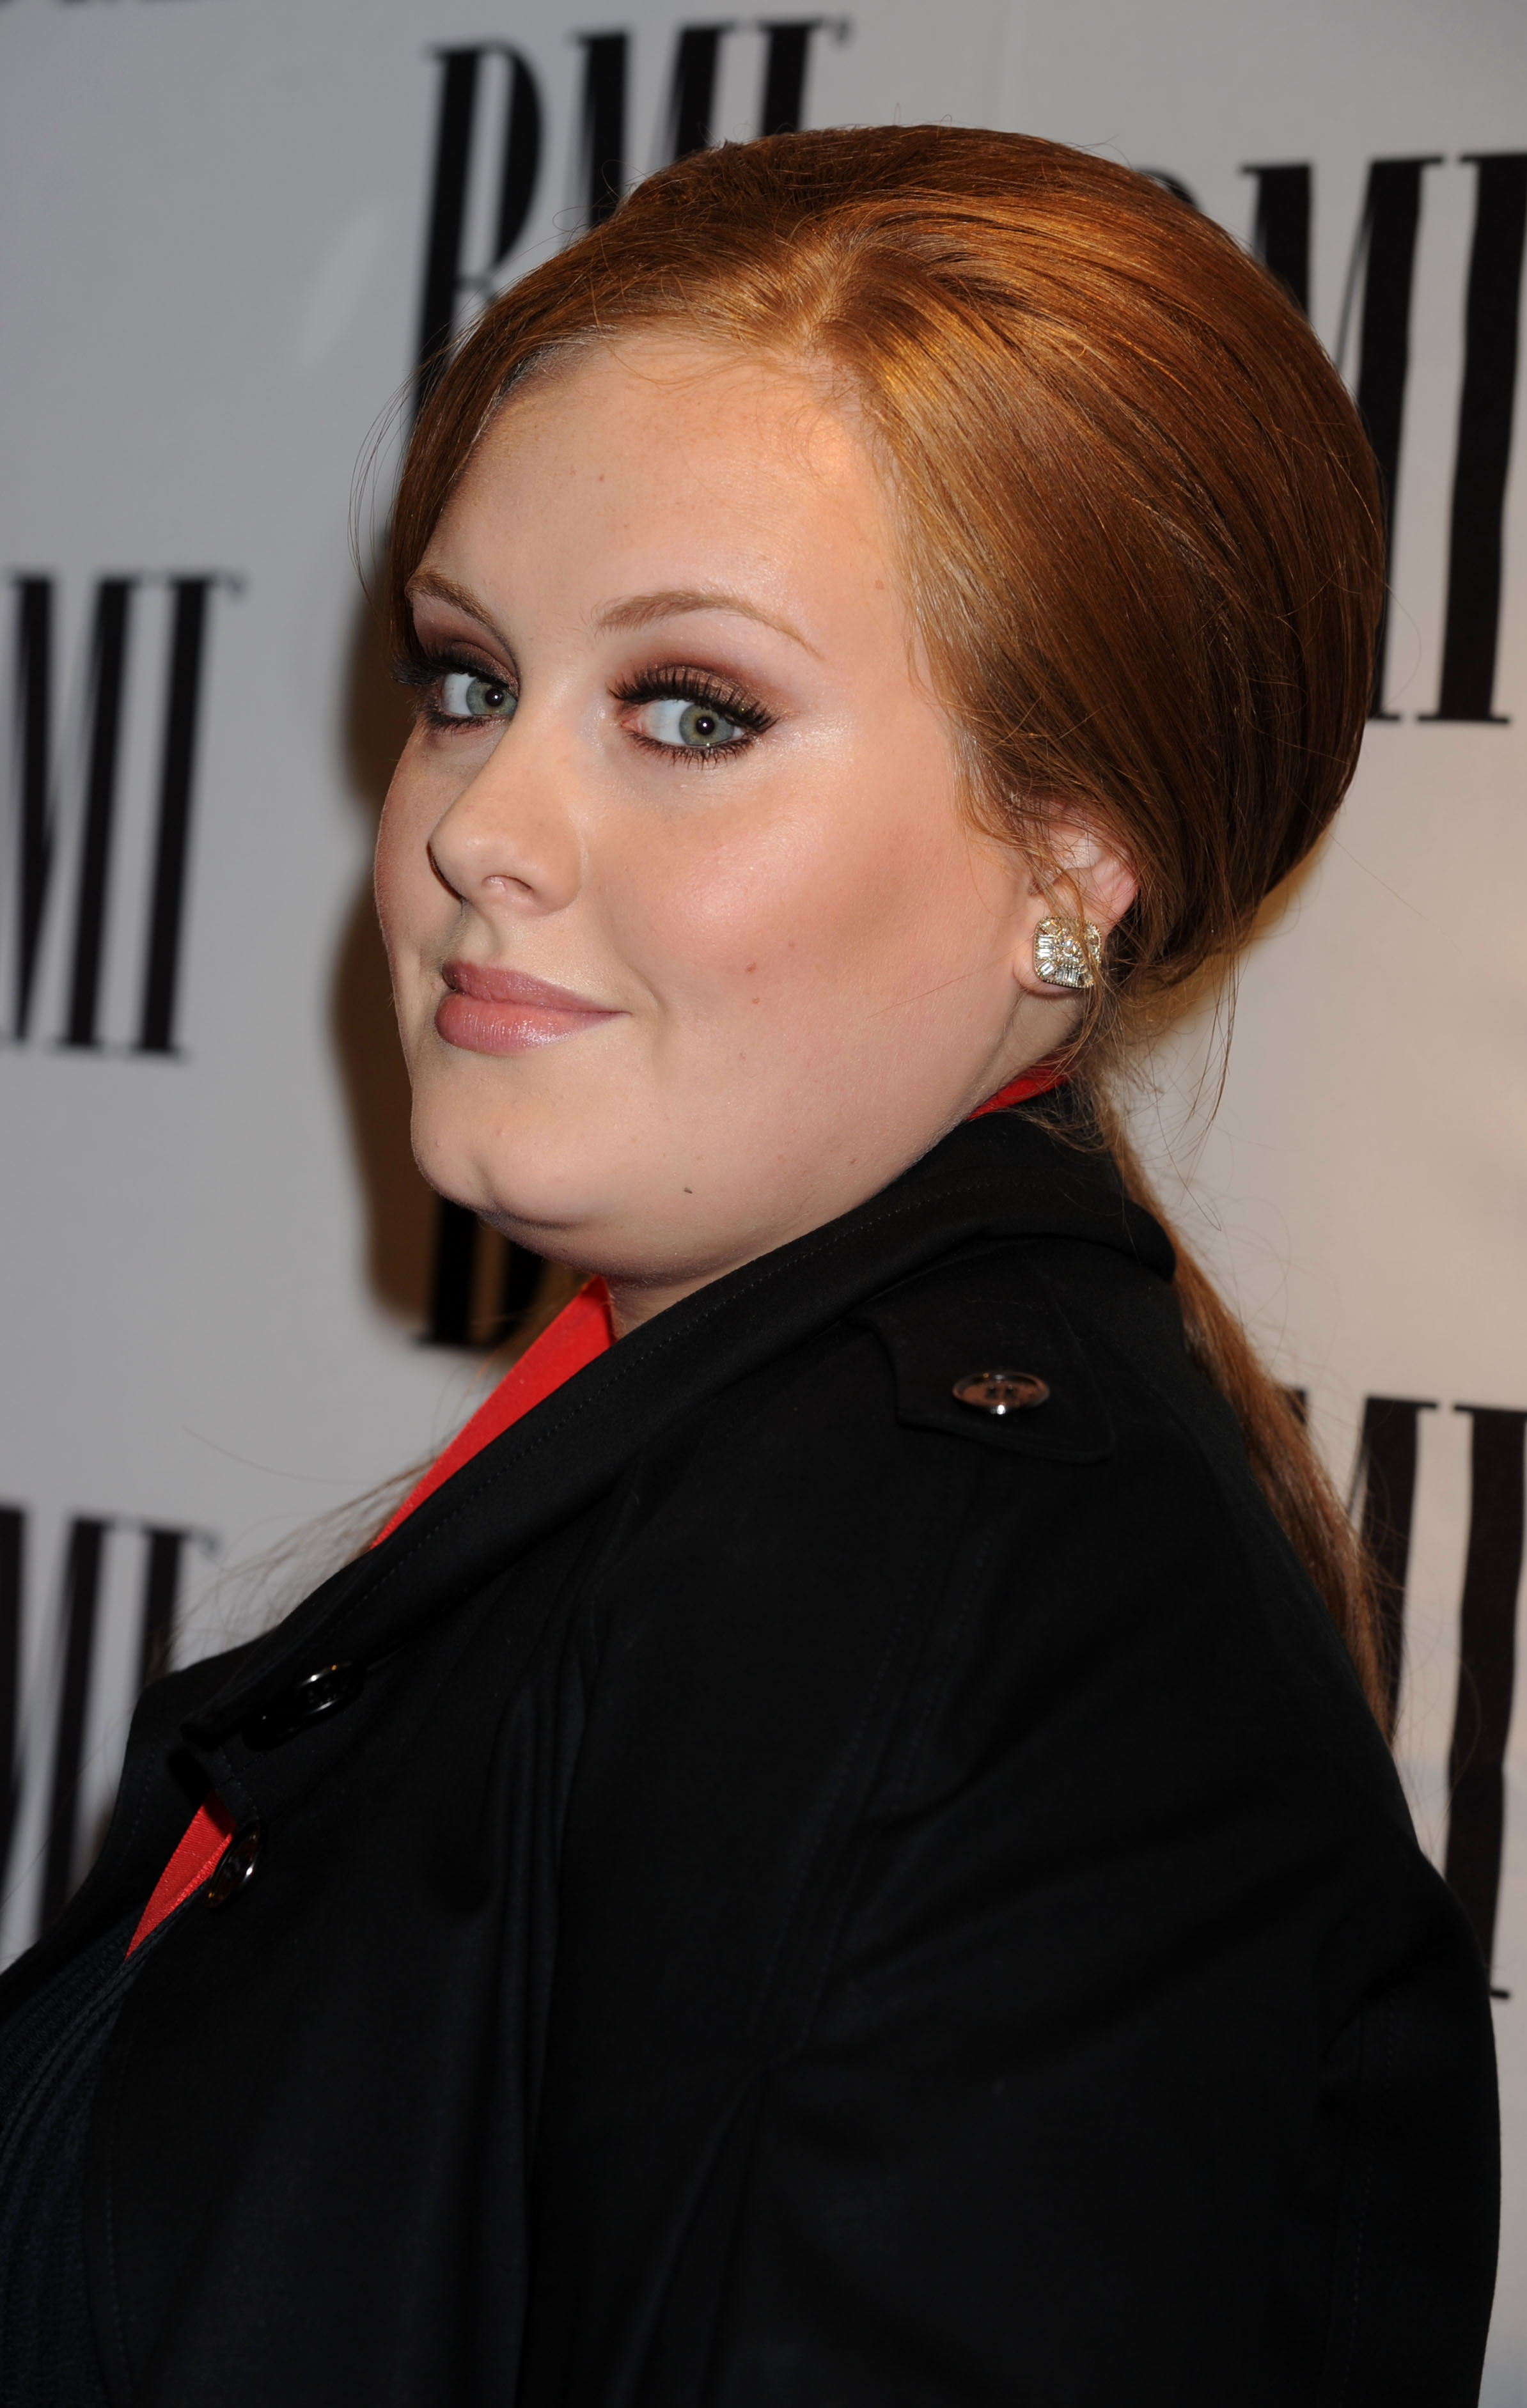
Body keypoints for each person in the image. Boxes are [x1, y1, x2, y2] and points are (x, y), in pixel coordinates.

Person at [0, 125, 1498, 2405]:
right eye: (467, 677)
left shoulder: (973, 1629)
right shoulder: (752, 1492)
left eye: (692, 710)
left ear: (1074, 854)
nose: (478, 830)